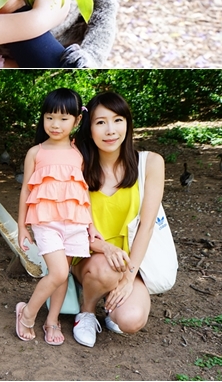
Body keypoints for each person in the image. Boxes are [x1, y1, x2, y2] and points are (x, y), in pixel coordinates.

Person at [70, 92, 166, 346]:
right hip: (89, 256)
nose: (110, 130)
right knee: (105, 267)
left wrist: (128, 278)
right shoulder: (78, 166)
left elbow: (147, 226)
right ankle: (87, 310)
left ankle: (112, 302)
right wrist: (105, 247)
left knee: (131, 320)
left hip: (128, 262)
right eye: (101, 122)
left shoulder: (150, 164)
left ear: (127, 123)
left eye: (118, 120)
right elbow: (70, 227)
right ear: (89, 128)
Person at [14, 88, 94, 346]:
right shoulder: (35, 152)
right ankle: (27, 314)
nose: (55, 125)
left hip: (74, 221)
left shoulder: (79, 153)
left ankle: (52, 321)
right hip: (46, 221)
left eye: (63, 118)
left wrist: (90, 224)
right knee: (58, 272)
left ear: (77, 120)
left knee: (62, 274)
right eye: (49, 117)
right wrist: (22, 226)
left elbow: (82, 190)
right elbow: (26, 189)